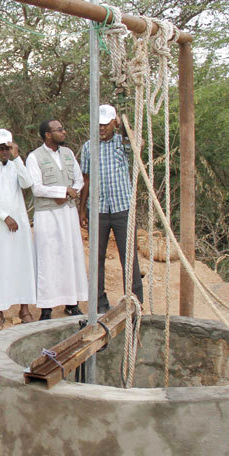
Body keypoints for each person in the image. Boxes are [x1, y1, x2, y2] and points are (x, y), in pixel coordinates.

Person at [79, 104, 144, 313]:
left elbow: (138, 144)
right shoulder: (89, 147)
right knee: (96, 257)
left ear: (113, 124)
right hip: (97, 209)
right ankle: (99, 303)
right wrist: (82, 209)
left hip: (122, 208)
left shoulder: (122, 143)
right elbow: (86, 178)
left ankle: (134, 301)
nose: (101, 129)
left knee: (128, 256)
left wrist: (124, 123)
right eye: (98, 125)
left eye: (105, 124)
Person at [26, 119, 87, 320]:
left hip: (68, 212)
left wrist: (70, 192)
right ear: (47, 135)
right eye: (59, 130)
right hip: (47, 215)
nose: (64, 132)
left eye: (63, 128)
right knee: (49, 259)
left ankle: (72, 303)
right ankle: (46, 307)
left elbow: (79, 180)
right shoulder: (34, 157)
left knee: (71, 256)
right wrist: (62, 190)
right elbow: (36, 187)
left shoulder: (68, 154)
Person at [0, 129, 36, 326]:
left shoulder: (17, 165)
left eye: (7, 147)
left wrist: (17, 159)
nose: (4, 151)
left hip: (20, 225)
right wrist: (4, 216)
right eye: (1, 148)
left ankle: (24, 308)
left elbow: (27, 183)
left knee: (22, 264)